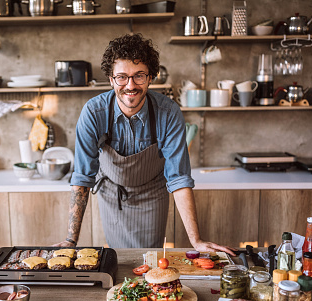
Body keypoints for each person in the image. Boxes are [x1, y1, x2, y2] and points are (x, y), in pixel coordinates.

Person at [55, 33, 235, 255]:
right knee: (119, 258)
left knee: (150, 258)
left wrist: (196, 240)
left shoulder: (168, 113)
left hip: (153, 193)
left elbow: (178, 178)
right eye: (121, 77)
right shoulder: (94, 112)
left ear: (151, 77)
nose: (130, 85)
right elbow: (83, 178)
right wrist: (70, 240)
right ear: (111, 79)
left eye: (139, 76)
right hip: (113, 192)